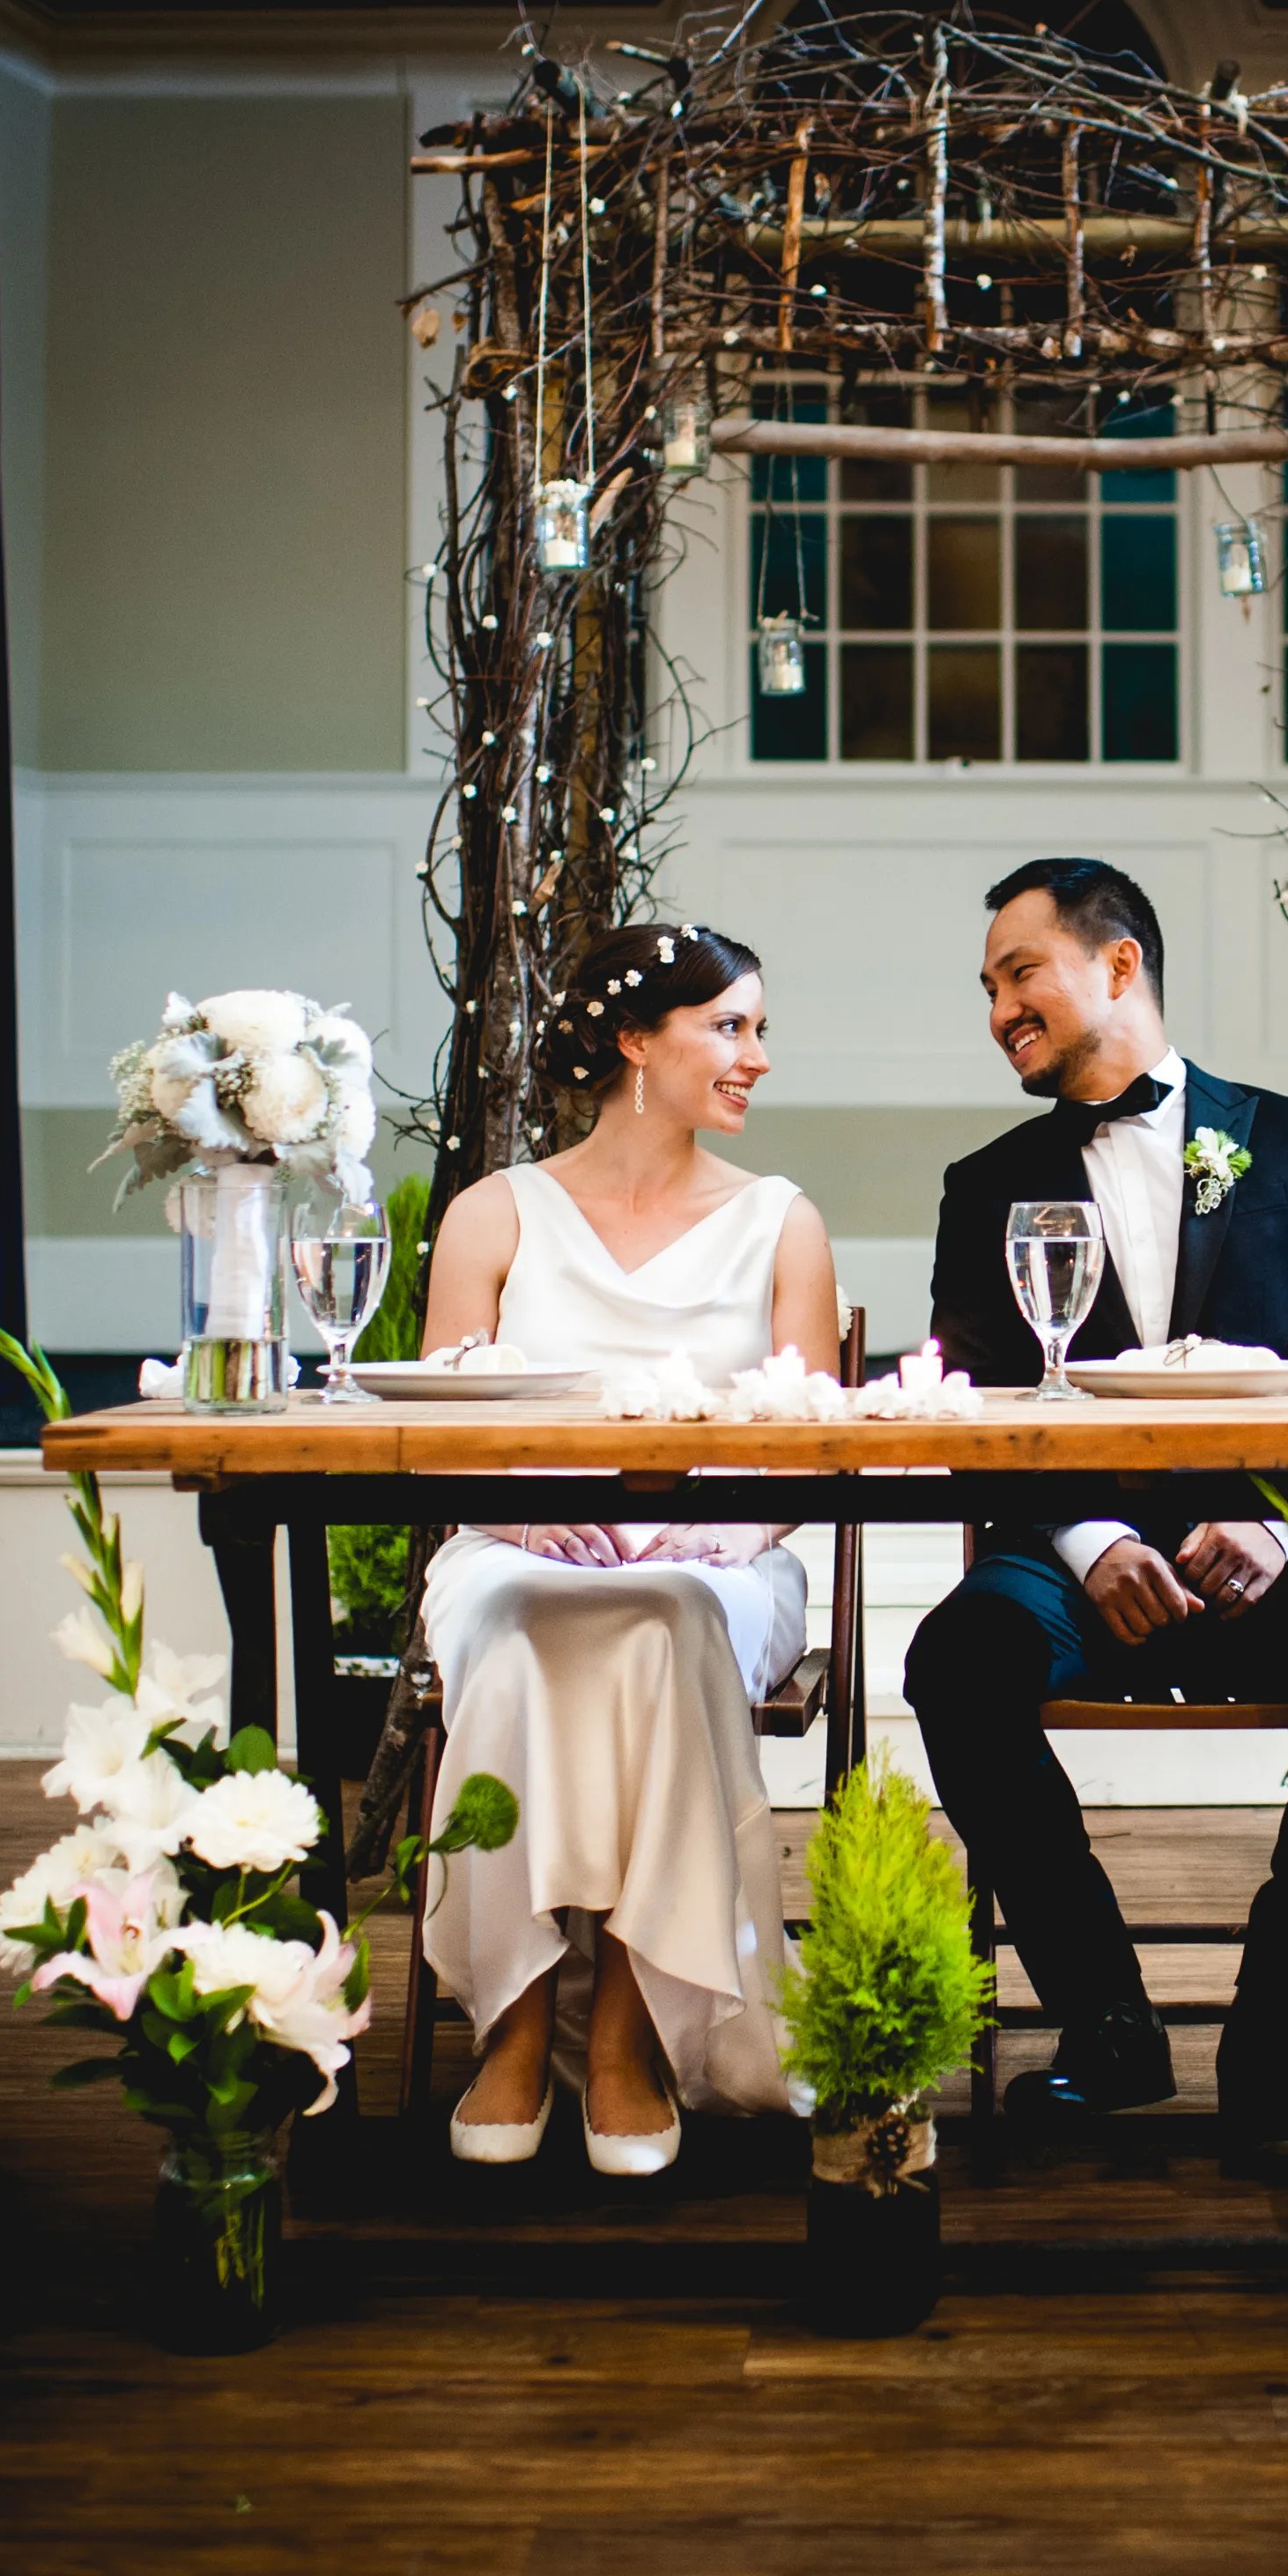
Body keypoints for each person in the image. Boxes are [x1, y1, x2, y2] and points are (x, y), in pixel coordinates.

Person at [904, 857, 1288, 2152]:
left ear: (1119, 965)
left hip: (1284, 1537)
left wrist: (1276, 1524)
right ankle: (1109, 2023)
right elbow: (977, 1403)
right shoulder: (984, 1184)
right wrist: (1090, 1542)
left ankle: (1275, 2032)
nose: (1000, 1010)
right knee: (957, 1660)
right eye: (988, 989)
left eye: (1020, 973)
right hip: (1070, 1549)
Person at [418, 923, 840, 2176]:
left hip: (720, 1559)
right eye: (730, 1026)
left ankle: (626, 2022)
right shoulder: (496, 1213)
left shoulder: (781, 1222)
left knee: (665, 1615)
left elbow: (808, 1447)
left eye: (760, 1028)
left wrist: (696, 1528)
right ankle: (516, 2009)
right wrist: (539, 1519)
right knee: (520, 1622)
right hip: (519, 1547)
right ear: (634, 1041)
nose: (757, 1055)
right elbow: (439, 1441)